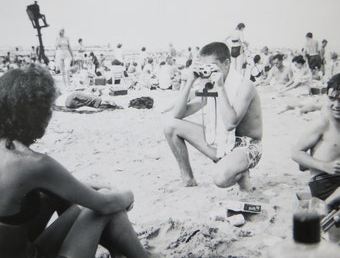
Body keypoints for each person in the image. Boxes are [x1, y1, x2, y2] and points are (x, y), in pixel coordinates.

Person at [0, 65, 156, 258]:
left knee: (56, 196)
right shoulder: (32, 163)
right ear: (36, 114)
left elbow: (58, 186)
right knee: (107, 205)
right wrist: (128, 195)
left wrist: (96, 187)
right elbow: (104, 204)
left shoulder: (8, 153)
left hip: (19, 249)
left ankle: (124, 252)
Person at [163, 42, 263, 189]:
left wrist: (220, 87)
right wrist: (190, 81)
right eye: (205, 67)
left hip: (248, 145)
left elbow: (230, 123)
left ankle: (241, 173)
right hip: (221, 141)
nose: (208, 71)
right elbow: (177, 115)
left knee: (220, 178)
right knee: (170, 126)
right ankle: (188, 178)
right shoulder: (209, 82)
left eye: (212, 66)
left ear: (227, 63)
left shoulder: (244, 86)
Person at [291, 73, 340, 241]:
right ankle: (325, 207)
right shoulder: (323, 123)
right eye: (332, 99)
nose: (337, 105)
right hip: (324, 180)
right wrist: (324, 165)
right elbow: (296, 152)